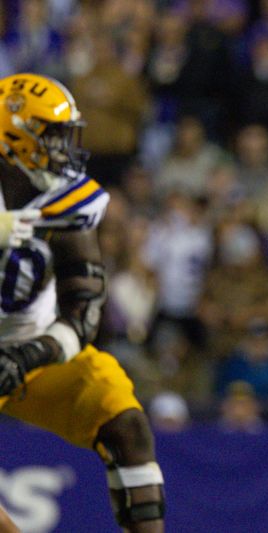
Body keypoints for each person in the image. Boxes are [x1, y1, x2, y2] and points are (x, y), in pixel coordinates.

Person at [0, 73, 165, 532]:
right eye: (51, 136)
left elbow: (84, 308)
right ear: (14, 135)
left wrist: (31, 354)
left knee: (125, 422)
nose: (63, 148)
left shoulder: (65, 197)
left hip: (27, 348)